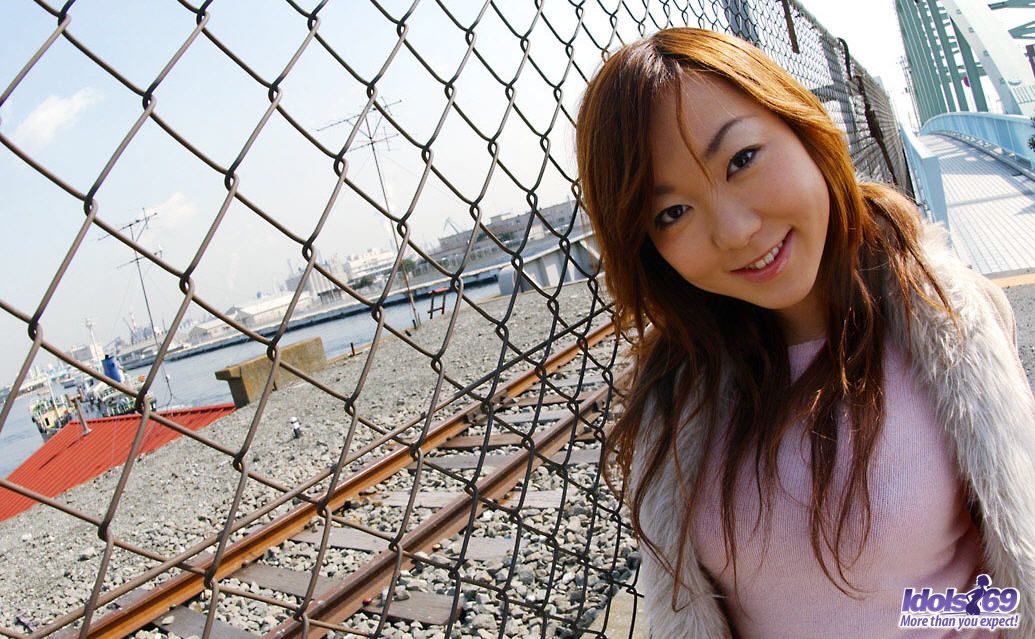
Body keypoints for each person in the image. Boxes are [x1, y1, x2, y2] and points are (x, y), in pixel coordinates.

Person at [575, 27, 1035, 637]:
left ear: (803, 127)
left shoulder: (950, 322)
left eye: (742, 160)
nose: (735, 231)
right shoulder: (679, 393)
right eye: (673, 212)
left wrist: (932, 617)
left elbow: (1012, 575)